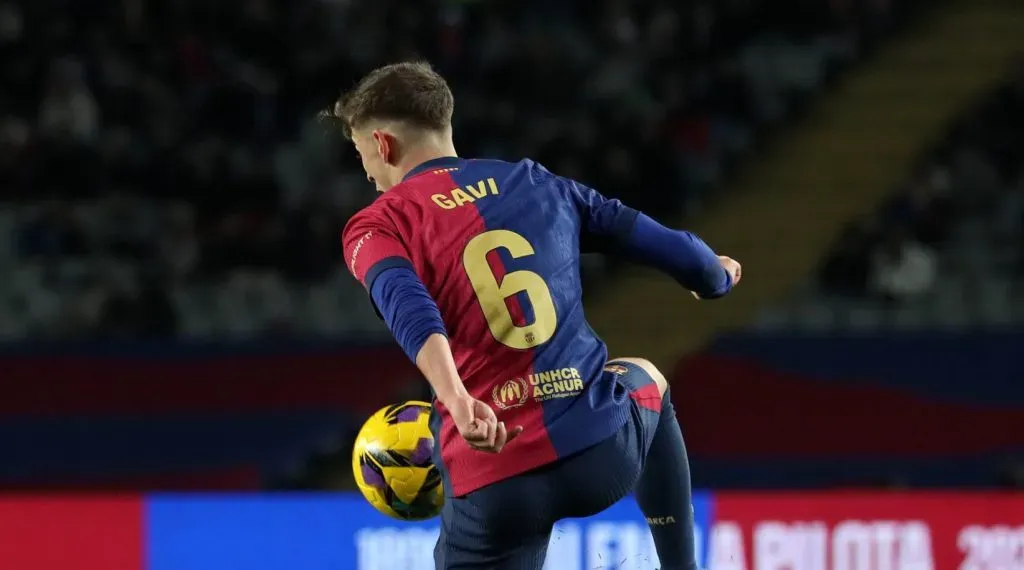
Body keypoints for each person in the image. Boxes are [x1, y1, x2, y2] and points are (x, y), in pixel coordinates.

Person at [329, 61, 741, 570]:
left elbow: (406, 304)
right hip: (599, 450)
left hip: (495, 484)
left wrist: (458, 401)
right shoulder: (536, 182)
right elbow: (667, 246)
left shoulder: (378, 223)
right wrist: (714, 276)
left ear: (383, 144)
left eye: (361, 153)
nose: (368, 172)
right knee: (648, 379)